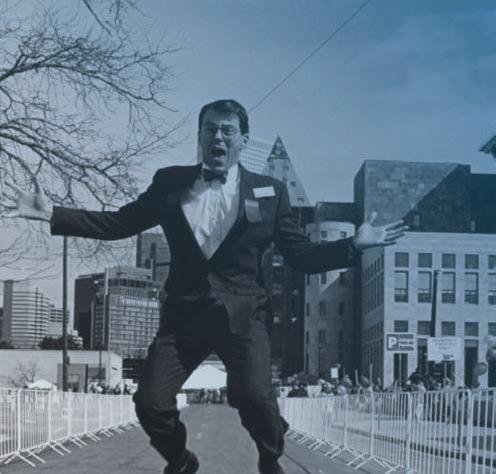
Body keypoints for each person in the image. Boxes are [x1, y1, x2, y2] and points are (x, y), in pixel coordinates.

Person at [0, 99, 407, 474]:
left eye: (227, 130)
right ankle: (180, 460)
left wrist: (352, 246)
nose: (218, 137)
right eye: (210, 129)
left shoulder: (270, 193)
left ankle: (270, 455)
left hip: (244, 317)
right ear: (199, 136)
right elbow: (119, 223)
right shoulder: (169, 183)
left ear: (243, 140)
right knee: (150, 403)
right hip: (185, 318)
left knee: (254, 398)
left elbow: (300, 255)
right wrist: (53, 214)